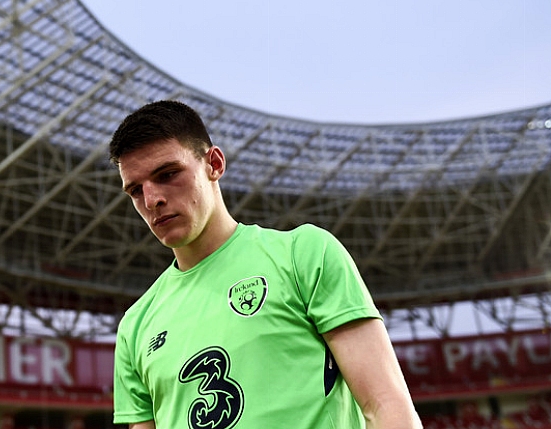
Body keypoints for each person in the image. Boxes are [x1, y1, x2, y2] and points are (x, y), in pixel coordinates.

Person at [109, 100, 423, 429]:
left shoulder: (303, 255)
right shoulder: (135, 326)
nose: (151, 200)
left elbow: (386, 405)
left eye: (168, 174)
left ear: (213, 164)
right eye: (135, 190)